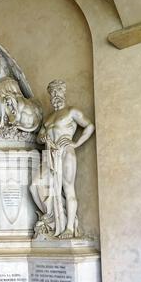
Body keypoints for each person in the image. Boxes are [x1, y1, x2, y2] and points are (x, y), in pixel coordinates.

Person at [30, 80, 95, 239]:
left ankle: (69, 228)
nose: (55, 96)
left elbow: (89, 126)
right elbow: (39, 138)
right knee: (35, 185)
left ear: (63, 93)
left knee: (68, 188)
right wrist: (43, 137)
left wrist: (76, 142)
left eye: (58, 92)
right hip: (50, 155)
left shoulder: (71, 111)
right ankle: (51, 217)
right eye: (52, 93)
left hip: (66, 152)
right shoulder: (49, 118)